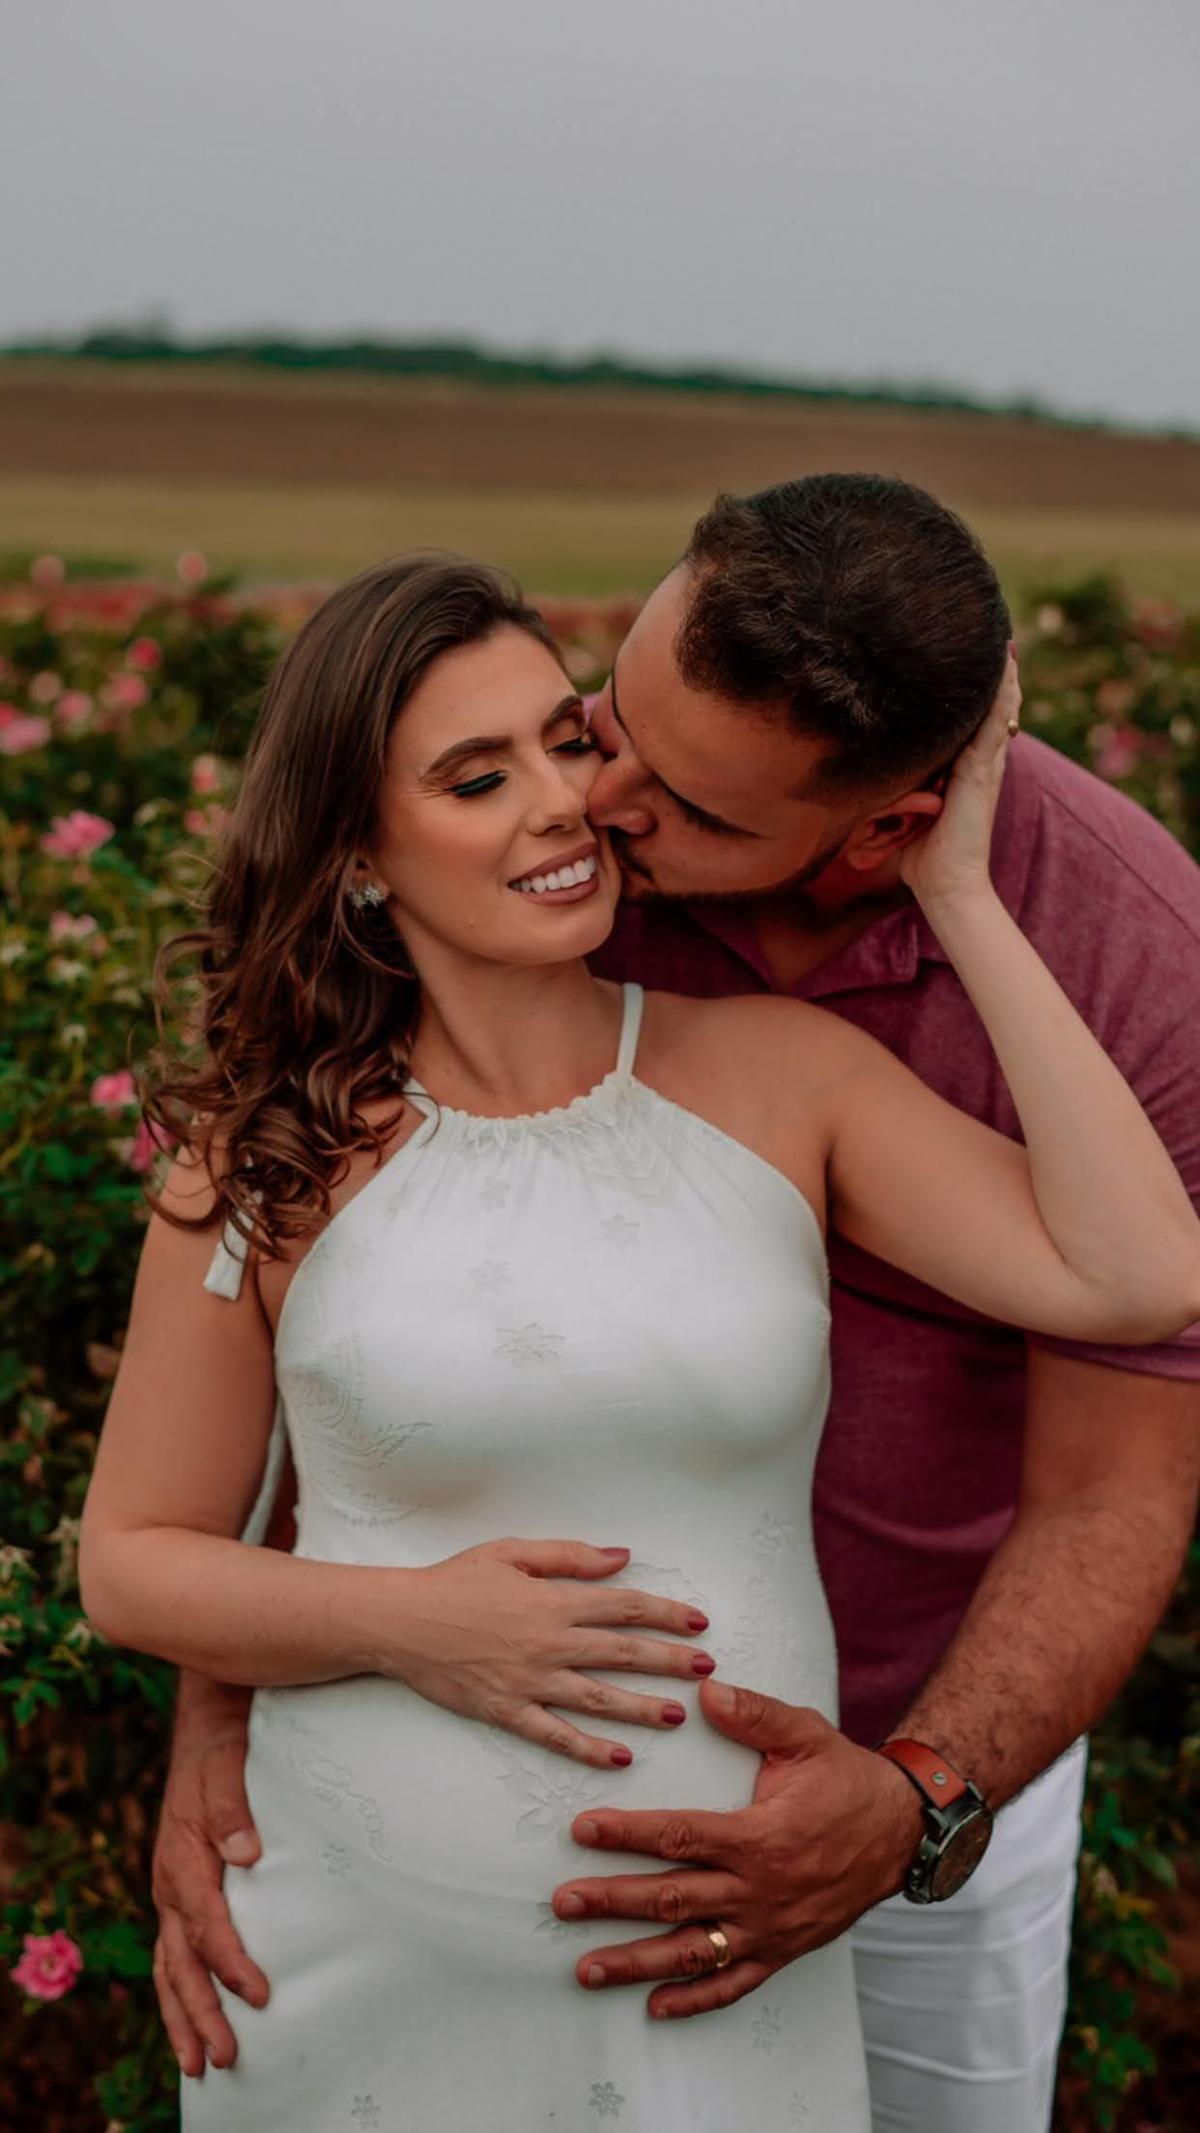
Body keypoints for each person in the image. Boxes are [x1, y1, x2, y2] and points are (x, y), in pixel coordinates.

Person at [124, 489, 1200, 2128]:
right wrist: (236, 1708)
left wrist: (961, 897)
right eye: (594, 720)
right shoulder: (301, 1112)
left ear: (880, 830)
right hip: (360, 1918)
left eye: (651, 788)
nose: (592, 800)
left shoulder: (1036, 986)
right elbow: (208, 1493)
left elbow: (1131, 1367)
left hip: (927, 1752)